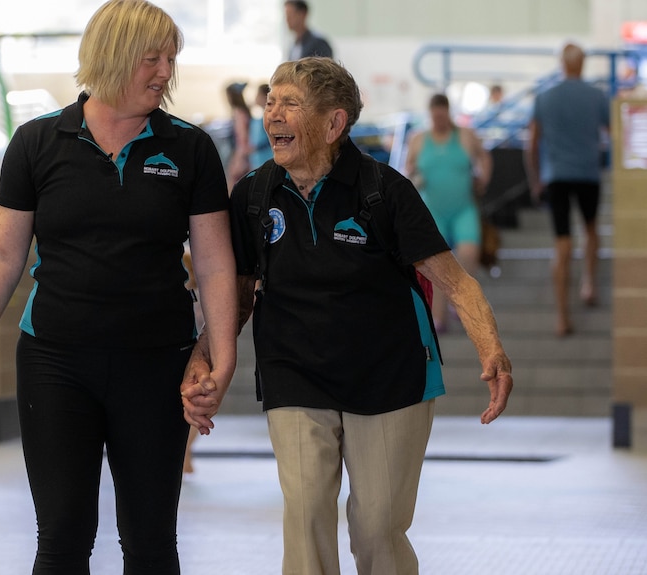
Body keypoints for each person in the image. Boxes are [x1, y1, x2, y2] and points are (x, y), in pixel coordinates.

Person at [182, 57, 513, 575]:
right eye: (270, 102)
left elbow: (456, 281)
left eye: (290, 104)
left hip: (390, 374)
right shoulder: (253, 195)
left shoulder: (384, 191)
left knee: (378, 528)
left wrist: (491, 348)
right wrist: (205, 358)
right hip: (294, 371)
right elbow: (239, 295)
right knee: (307, 512)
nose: (273, 116)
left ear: (334, 124)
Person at [0, 1, 238, 574]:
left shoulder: (189, 148)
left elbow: (216, 263)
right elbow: (2, 253)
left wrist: (220, 358)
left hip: (156, 361)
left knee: (151, 541)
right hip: (55, 362)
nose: (164, 73)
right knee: (63, 539)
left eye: (171, 59)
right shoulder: (37, 143)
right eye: (151, 59)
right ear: (112, 58)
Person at [526, 42, 609, 337]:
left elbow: (532, 144)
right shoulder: (598, 96)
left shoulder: (545, 98)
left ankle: (562, 316)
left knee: (562, 245)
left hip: (556, 175)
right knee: (591, 229)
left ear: (562, 64)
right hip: (588, 173)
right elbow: (613, 135)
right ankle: (589, 284)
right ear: (582, 64)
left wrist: (536, 180)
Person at [405, 93, 492, 333]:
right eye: (435, 117)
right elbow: (408, 170)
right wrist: (415, 178)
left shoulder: (464, 136)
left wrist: (483, 179)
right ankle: (438, 316)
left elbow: (484, 157)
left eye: (443, 117)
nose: (439, 122)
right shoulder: (419, 139)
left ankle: (459, 302)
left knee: (469, 254)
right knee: (436, 265)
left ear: (448, 113)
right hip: (434, 211)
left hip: (463, 208)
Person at [225, 81, 252, 186]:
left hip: (241, 153)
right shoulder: (244, 110)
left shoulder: (239, 112)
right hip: (243, 153)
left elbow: (242, 138)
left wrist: (238, 159)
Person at [248, 83, 274, 169]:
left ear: (265, 97)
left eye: (258, 94)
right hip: (259, 160)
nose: (255, 98)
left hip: (266, 159)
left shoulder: (270, 118)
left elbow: (271, 137)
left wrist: (256, 148)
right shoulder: (259, 118)